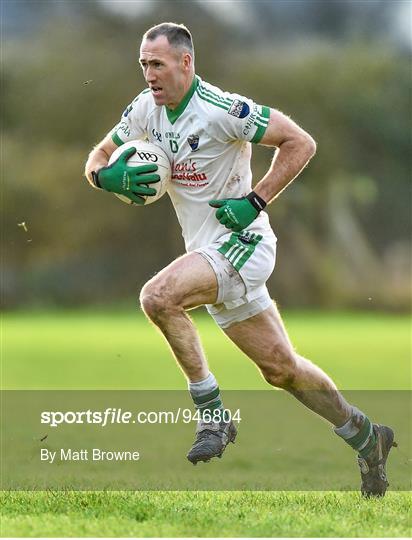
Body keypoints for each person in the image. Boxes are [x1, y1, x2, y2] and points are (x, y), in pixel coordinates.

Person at [84, 22, 396, 496]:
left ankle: (212, 416)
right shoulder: (145, 110)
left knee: (157, 297)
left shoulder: (222, 110)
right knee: (282, 370)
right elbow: (98, 157)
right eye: (144, 64)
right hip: (207, 253)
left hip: (244, 244)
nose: (149, 74)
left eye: (158, 64)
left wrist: (255, 200)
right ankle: (367, 437)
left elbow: (300, 142)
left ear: (185, 63)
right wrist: (104, 179)